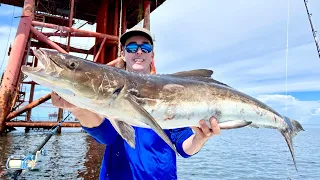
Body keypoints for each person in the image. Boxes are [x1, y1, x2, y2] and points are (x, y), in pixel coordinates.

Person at [51, 26, 220, 180]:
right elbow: (106, 135)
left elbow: (184, 148)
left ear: (152, 55)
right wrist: (77, 109)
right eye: (132, 47)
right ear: (123, 54)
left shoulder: (171, 94)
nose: (139, 51)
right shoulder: (109, 88)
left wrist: (200, 138)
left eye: (145, 47)